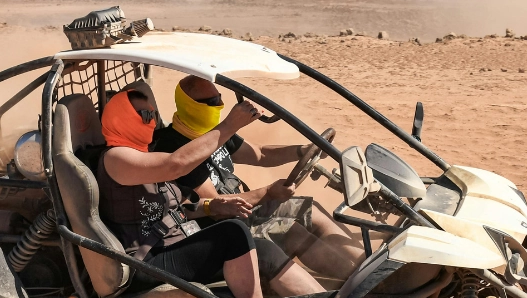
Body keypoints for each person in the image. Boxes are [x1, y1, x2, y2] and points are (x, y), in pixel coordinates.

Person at [97, 89, 327, 298]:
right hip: (145, 261)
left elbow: (178, 203)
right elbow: (177, 164)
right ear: (119, 118)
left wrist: (211, 206)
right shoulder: (116, 158)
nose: (151, 119)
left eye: (152, 112)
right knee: (233, 234)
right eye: (143, 114)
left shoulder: (143, 152)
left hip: (172, 241)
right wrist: (229, 125)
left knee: (258, 246)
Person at [152, 76, 366, 280]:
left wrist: (302, 150)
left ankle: (368, 264)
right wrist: (267, 193)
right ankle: (360, 283)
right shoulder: (177, 146)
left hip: (247, 209)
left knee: (311, 209)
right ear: (190, 104)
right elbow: (217, 205)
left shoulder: (210, 132)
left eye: (219, 98)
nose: (220, 105)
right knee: (293, 233)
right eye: (212, 101)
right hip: (224, 227)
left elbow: (261, 153)